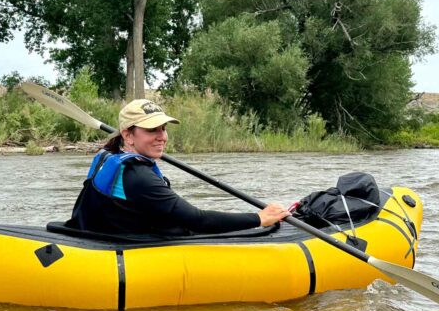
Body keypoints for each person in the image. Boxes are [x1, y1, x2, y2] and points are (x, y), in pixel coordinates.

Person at [65, 98, 290, 236]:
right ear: (128, 135)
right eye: (152, 130)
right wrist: (259, 218)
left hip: (103, 235)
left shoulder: (109, 155)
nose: (162, 137)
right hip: (123, 247)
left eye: (163, 128)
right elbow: (198, 220)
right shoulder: (138, 177)